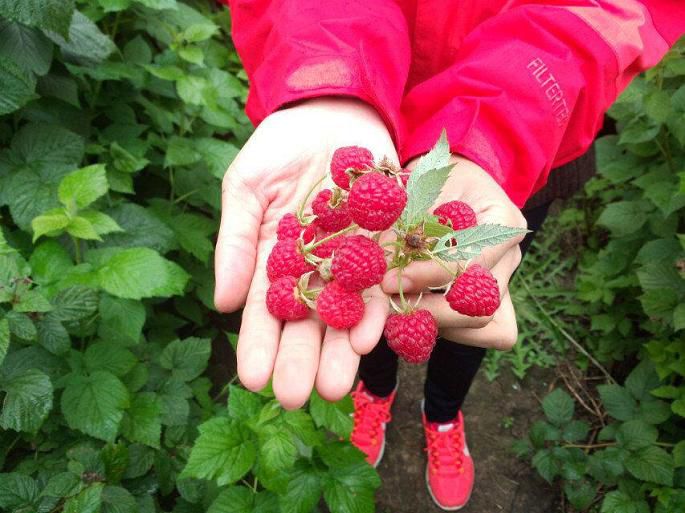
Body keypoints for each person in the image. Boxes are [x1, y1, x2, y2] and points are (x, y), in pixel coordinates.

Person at [214, 1, 684, 510]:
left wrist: (494, 130)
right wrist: (334, 80)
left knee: (465, 302)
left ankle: (442, 413)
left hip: (526, 141)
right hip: (375, 101)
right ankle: (376, 393)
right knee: (377, 305)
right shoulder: (345, 209)